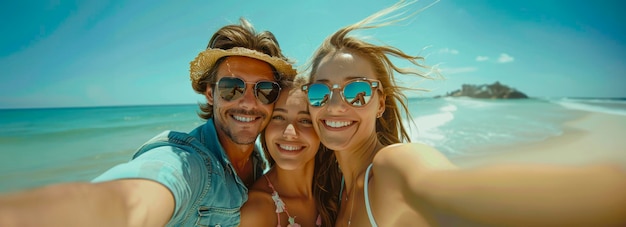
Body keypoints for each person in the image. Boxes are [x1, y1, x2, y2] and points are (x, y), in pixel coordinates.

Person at [300, 1, 626, 226]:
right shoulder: (335, 187)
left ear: (380, 102)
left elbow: (445, 186)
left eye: (357, 91)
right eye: (319, 91)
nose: (335, 105)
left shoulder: (393, 165)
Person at [0, 18, 296, 227]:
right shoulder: (189, 164)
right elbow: (132, 201)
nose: (248, 102)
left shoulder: (258, 160)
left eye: (264, 90)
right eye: (232, 87)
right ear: (209, 93)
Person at [240, 77, 341, 227]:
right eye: (279, 117)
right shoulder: (257, 210)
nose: (289, 132)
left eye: (305, 120)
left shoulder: (337, 190)